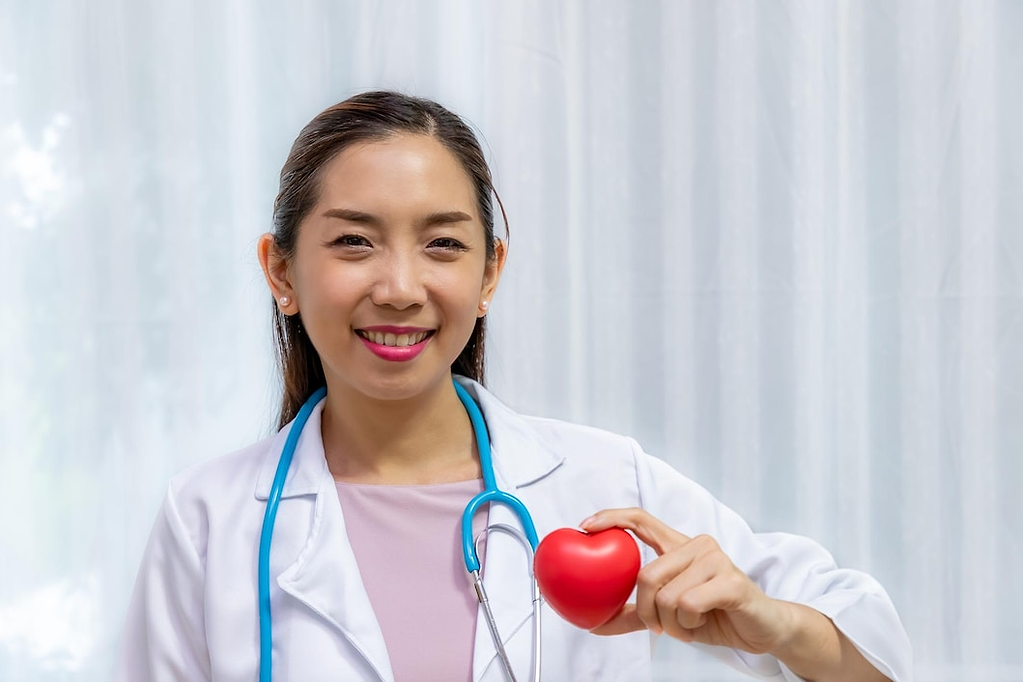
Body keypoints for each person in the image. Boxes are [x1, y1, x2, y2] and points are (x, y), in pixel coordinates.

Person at [115, 91, 911, 682]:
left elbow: (878, 656)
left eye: (442, 244)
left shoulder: (606, 489)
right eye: (355, 241)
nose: (400, 288)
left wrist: (772, 626)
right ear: (281, 272)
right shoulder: (209, 521)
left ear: (490, 273)